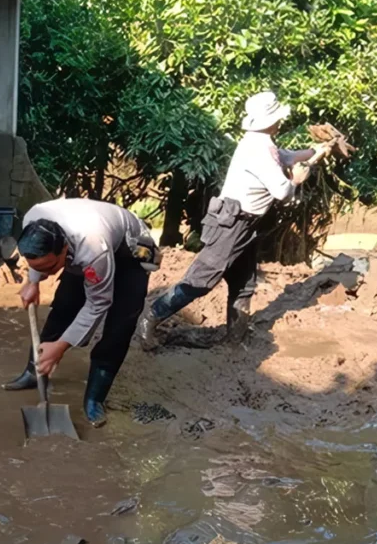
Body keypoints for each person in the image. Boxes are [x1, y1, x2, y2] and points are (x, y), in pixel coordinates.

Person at [137, 91, 332, 350]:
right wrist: (296, 179)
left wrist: (313, 151)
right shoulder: (258, 149)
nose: (280, 122)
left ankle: (235, 339)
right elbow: (283, 192)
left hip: (245, 224)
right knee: (200, 280)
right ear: (271, 120)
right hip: (231, 223)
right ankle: (151, 317)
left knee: (243, 283)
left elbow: (284, 156)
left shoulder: (261, 141)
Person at [2, 198, 160, 427]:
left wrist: (61, 347)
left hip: (129, 254)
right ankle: (33, 373)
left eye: (49, 268)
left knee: (119, 327)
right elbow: (37, 260)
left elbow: (98, 303)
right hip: (87, 245)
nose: (46, 272)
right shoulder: (33, 221)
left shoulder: (93, 248)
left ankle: (94, 399)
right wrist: (33, 281)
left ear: (64, 248)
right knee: (63, 308)